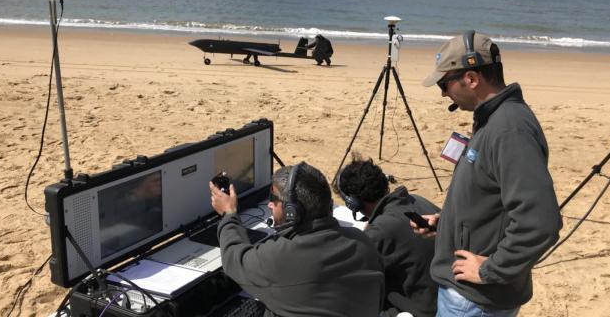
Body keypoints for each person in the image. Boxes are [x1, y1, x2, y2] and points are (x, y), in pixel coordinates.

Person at [414, 30, 562, 316]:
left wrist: (492, 269)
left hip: (474, 300)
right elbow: (492, 200)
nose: (444, 93)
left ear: (470, 79)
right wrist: (445, 225)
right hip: (468, 296)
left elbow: (540, 221)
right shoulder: (492, 118)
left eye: (444, 84)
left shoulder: (509, 129)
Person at [210, 162, 384, 317]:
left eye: (274, 199)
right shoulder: (362, 241)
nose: (270, 205)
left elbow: (233, 259)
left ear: (292, 212)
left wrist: (229, 214)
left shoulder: (281, 257)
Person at [337, 155, 440, 317]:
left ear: (353, 203)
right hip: (442, 297)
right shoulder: (416, 199)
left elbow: (349, 277)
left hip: (420, 309)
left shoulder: (379, 232)